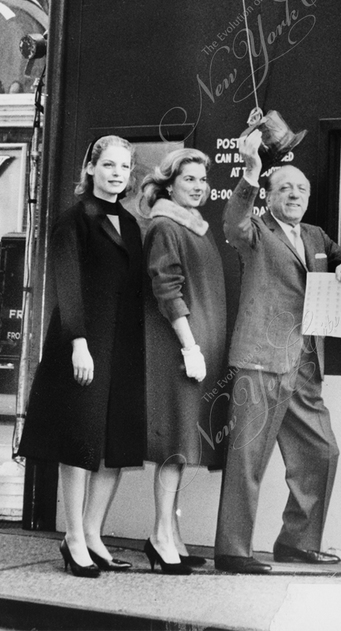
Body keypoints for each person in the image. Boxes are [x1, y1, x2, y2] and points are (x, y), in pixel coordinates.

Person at [213, 131, 341, 574]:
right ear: (268, 196)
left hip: (305, 362)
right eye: (284, 187)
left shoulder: (316, 236)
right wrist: (248, 173)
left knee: (322, 452)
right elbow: (233, 223)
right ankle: (232, 551)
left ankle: (297, 543)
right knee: (248, 457)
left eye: (301, 189)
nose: (294, 194)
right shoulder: (256, 231)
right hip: (262, 358)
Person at [17, 136, 146, 578]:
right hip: (84, 346)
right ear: (90, 168)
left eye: (124, 167)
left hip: (122, 348)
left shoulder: (130, 223)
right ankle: (73, 539)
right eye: (108, 164)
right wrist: (78, 342)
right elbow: (67, 286)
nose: (116, 173)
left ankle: (93, 535)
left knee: (114, 446)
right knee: (80, 442)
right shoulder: (73, 221)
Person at [140, 148, 228, 574]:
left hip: (198, 352)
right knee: (173, 446)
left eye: (202, 180)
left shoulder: (194, 226)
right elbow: (167, 289)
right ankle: (160, 534)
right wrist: (190, 346)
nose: (198, 186)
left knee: (182, 446)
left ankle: (170, 534)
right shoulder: (165, 225)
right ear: (169, 183)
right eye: (189, 179)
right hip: (178, 352)